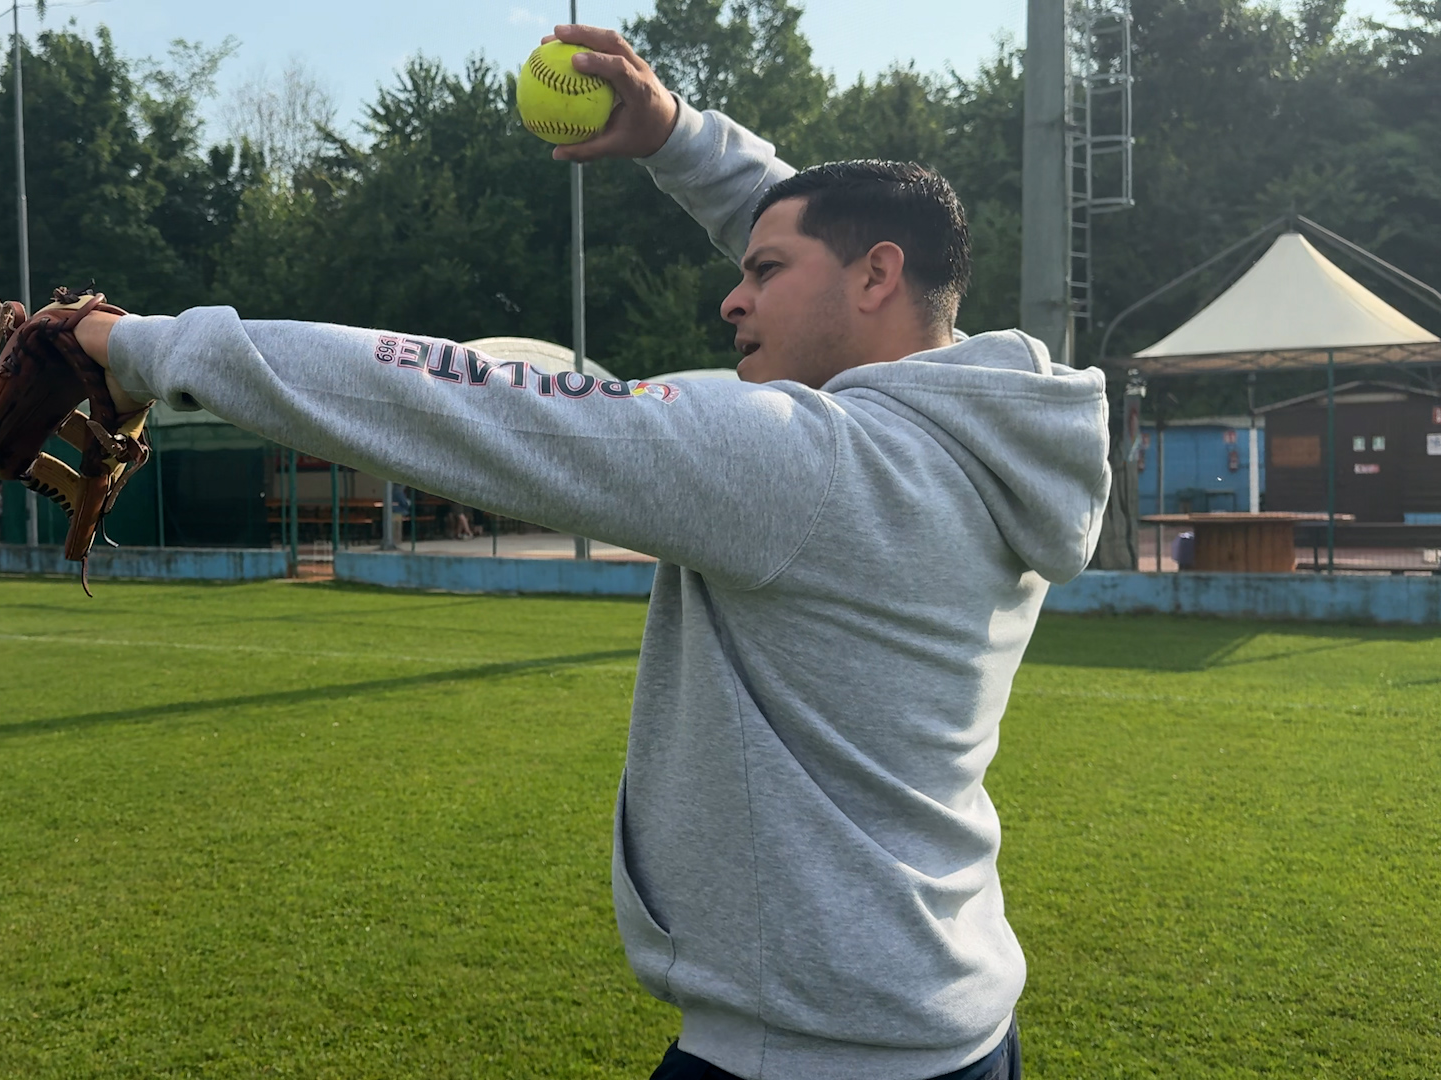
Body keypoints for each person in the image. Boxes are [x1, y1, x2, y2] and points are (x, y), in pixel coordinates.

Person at [56, 24, 1109, 1079]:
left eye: (764, 271)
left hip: (807, 1054)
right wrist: (679, 137)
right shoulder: (986, 429)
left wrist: (139, 345)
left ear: (878, 277)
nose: (733, 297)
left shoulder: (810, 465)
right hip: (951, 1021)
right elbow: (842, 234)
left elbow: (456, 399)